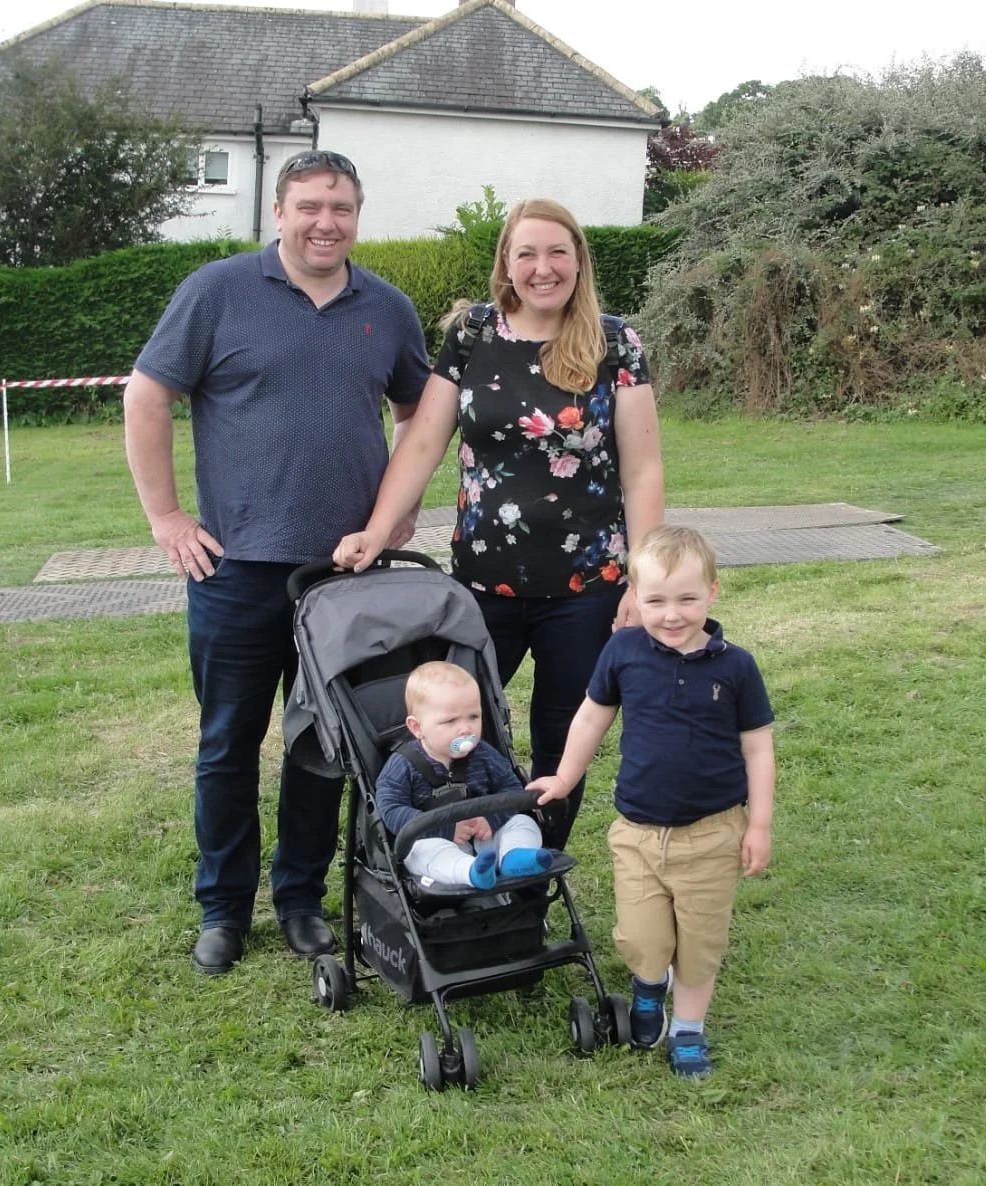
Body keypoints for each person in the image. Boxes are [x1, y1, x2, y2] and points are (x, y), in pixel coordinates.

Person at [123, 150, 430, 977]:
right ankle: (223, 910)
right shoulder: (216, 292)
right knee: (226, 745)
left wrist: (394, 511)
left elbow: (418, 412)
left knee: (322, 746)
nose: (325, 221)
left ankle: (299, 901)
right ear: (278, 212)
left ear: (357, 215)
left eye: (341, 207)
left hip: (345, 578)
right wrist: (165, 516)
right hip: (234, 570)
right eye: (309, 205)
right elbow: (146, 396)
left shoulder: (389, 309)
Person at [333, 198, 664, 850]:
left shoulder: (615, 341)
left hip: (588, 588)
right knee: (453, 730)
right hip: (482, 586)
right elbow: (424, 442)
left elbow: (643, 472)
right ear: (506, 265)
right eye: (527, 254)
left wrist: (643, 582)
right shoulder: (474, 335)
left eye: (557, 253)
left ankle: (531, 879)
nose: (543, 268)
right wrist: (377, 527)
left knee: (561, 741)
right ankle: (450, 862)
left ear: (579, 261)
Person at [529, 525, 776, 1079]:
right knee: (641, 939)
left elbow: (757, 748)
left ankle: (688, 1029)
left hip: (712, 834)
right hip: (637, 832)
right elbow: (593, 715)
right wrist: (565, 777)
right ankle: (648, 985)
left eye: (687, 599)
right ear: (634, 597)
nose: (671, 614)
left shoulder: (736, 667)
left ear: (712, 592)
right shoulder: (622, 651)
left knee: (700, 944)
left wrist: (758, 824)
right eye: (656, 600)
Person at [376, 662, 555, 889]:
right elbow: (391, 809)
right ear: (417, 727)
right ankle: (471, 872)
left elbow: (511, 788)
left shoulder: (484, 755)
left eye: (473, 717)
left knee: (522, 822)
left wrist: (491, 820)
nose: (465, 729)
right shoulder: (403, 765)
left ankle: (514, 858)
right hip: (437, 841)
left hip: (484, 836)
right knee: (419, 851)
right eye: (450, 721)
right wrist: (446, 829)